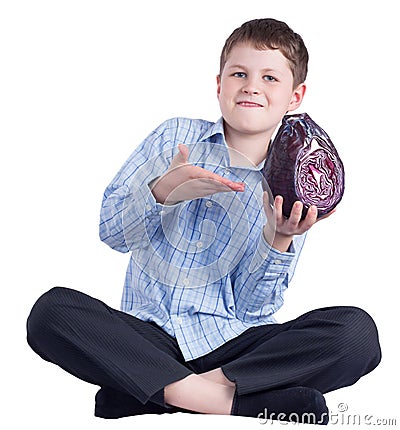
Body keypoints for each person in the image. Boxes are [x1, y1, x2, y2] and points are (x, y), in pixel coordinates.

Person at [26, 18, 381, 425]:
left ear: (294, 96)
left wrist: (279, 238)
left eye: (269, 77)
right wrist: (161, 193)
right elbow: (111, 232)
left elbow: (252, 308)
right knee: (50, 312)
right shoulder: (173, 136)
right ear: (219, 85)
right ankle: (231, 403)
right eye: (239, 74)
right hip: (149, 337)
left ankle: (155, 392)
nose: (251, 86)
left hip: (238, 347)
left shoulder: (292, 179)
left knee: (357, 334)